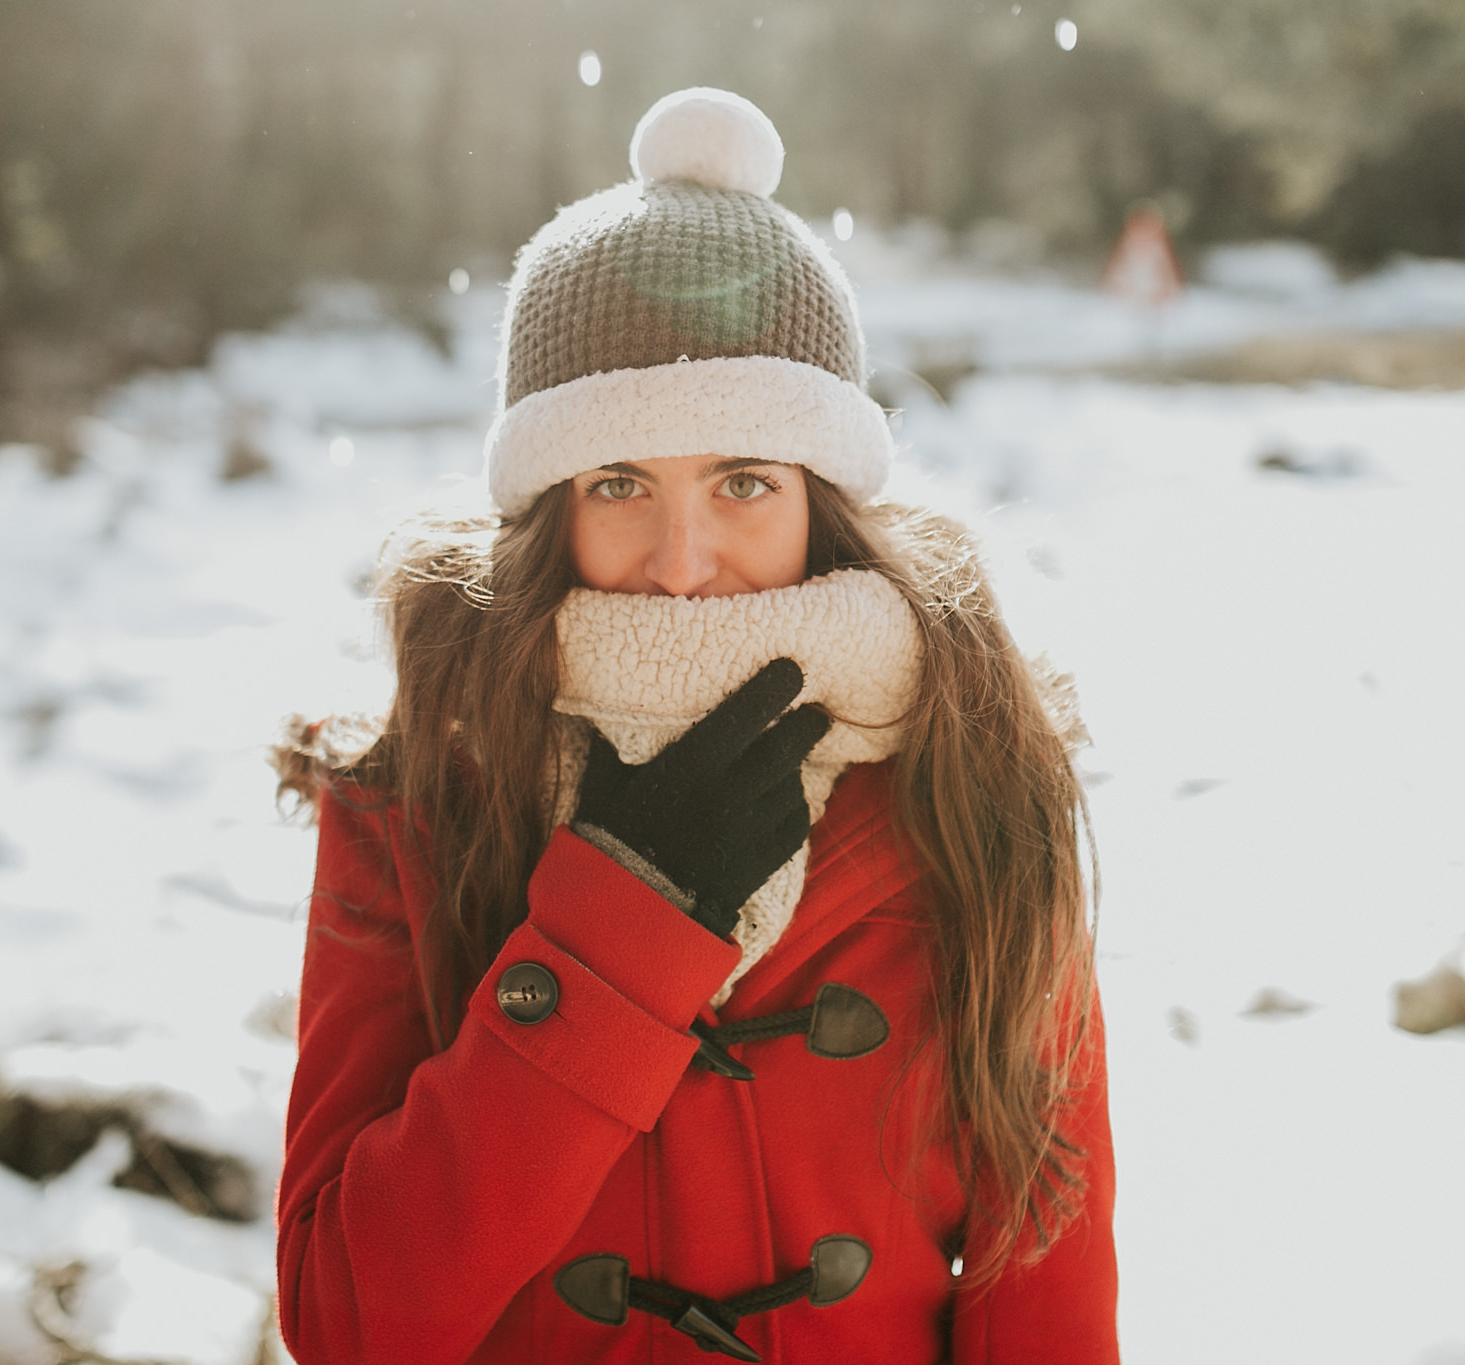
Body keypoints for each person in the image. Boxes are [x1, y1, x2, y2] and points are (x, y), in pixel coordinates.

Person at [273, 88, 1119, 1363]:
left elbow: (1039, 1284)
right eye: (617, 483)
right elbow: (350, 1322)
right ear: (548, 509)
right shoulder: (419, 787)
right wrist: (621, 925)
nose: (681, 564)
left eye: (741, 482)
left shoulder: (973, 774)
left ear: (821, 499)